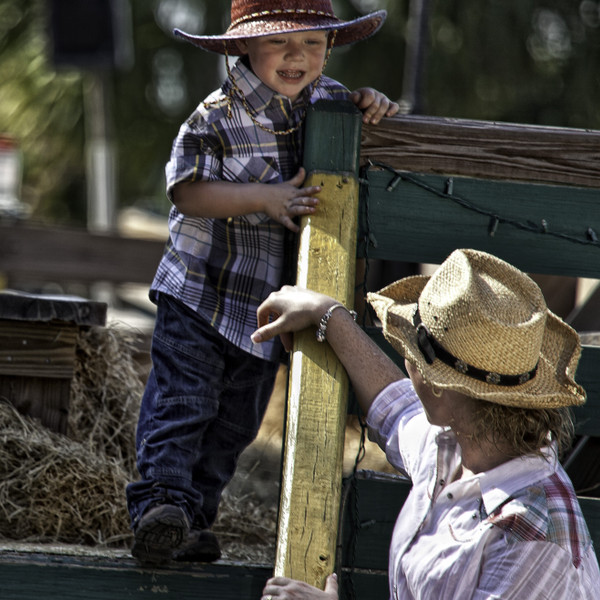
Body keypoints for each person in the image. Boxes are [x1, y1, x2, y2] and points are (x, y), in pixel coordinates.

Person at [127, 0, 400, 565]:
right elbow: (188, 192)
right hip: (201, 292)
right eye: (279, 42)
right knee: (183, 402)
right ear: (245, 46)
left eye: (313, 43)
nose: (297, 56)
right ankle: (159, 504)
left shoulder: (330, 102)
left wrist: (371, 103)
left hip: (263, 310)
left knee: (234, 424)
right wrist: (264, 197)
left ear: (330, 47)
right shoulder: (215, 116)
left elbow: (364, 111)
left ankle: (192, 523)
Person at [252, 248, 600, 599]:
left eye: (410, 350)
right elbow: (397, 409)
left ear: (437, 386)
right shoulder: (464, 444)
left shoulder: (531, 539)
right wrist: (328, 315)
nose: (406, 359)